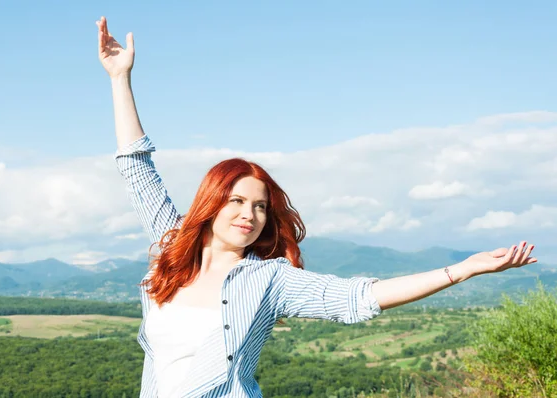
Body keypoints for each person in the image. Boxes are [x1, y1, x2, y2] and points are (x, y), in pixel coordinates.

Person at [96, 16, 537, 398]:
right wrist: (120, 79)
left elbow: (358, 298)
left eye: (261, 207)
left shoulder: (268, 280)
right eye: (236, 201)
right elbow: (137, 168)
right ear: (211, 205)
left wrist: (463, 269)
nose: (249, 214)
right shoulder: (172, 249)